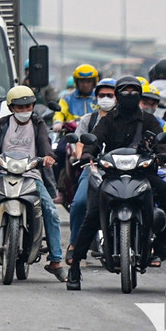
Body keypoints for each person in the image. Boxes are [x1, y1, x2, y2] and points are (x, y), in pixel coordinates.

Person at [65, 77, 166, 290]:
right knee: (92, 214)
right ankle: (75, 265)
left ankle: (161, 241)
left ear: (140, 95)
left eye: (134, 91)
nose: (130, 95)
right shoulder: (107, 121)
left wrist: (163, 155)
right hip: (113, 175)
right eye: (125, 91)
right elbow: (94, 140)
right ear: (117, 95)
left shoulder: (149, 120)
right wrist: (88, 154)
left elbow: (161, 143)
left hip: (143, 174)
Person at [0, 86, 66, 280]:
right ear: (11, 107)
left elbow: (45, 144)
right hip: (3, 174)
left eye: (28, 106)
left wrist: (48, 157)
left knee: (51, 211)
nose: (24, 111)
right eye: (20, 107)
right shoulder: (1, 124)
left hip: (32, 176)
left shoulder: (38, 124)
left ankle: (56, 260)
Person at [67, 79, 116, 243]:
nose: (106, 98)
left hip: (119, 170)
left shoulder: (123, 120)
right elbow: (80, 143)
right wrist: (82, 156)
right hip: (93, 169)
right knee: (80, 203)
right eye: (102, 95)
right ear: (96, 97)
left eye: (110, 95)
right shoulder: (89, 119)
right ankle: (74, 244)